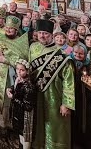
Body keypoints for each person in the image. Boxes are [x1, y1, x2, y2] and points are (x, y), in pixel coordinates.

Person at [29, 19, 75, 149]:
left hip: (54, 96)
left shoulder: (62, 54)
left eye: (46, 34)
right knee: (37, 123)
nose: (42, 36)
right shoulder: (33, 47)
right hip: (36, 93)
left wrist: (67, 103)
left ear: (52, 35)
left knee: (54, 125)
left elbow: (69, 80)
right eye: (40, 33)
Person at [0, 15, 28, 128]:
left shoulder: (21, 42)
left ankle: (4, 121)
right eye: (7, 28)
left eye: (11, 28)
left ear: (16, 30)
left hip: (10, 73)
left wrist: (6, 60)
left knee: (5, 97)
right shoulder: (0, 36)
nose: (8, 30)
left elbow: (22, 60)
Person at [6, 59, 36, 149]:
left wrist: (13, 98)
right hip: (18, 112)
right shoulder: (18, 78)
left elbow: (28, 106)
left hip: (25, 116)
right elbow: (17, 88)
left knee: (25, 136)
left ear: (27, 71)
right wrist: (11, 88)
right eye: (17, 69)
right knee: (20, 133)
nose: (19, 72)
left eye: (22, 70)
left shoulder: (29, 86)